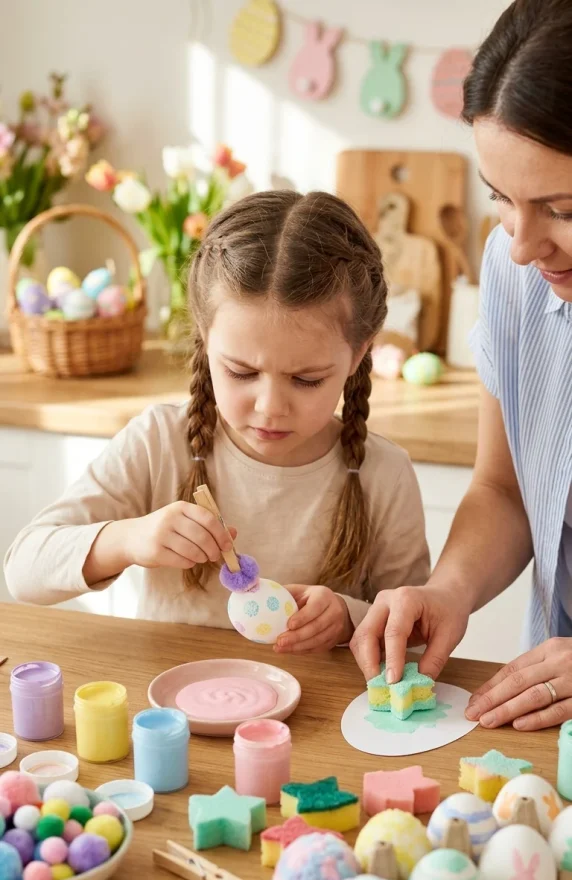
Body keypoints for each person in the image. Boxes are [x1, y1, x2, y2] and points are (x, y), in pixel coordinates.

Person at [4, 190, 429, 653]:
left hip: (317, 700)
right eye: (241, 372)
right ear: (206, 340)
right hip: (169, 696)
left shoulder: (383, 473)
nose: (270, 406)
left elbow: (412, 629)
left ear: (359, 354)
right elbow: (23, 571)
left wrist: (350, 619)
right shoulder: (158, 442)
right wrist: (127, 539)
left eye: (306, 379)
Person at [350, 0, 572, 729]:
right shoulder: (514, 272)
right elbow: (505, 489)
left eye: (563, 210)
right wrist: (447, 590)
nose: (522, 246)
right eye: (502, 198)